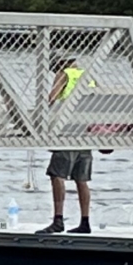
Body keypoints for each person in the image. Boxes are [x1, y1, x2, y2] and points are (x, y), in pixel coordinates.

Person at [39, 54, 91, 234]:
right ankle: (85, 222)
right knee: (81, 179)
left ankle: (58, 220)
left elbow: (52, 97)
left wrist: (39, 116)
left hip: (67, 130)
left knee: (57, 174)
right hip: (85, 132)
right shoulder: (88, 75)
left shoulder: (64, 73)